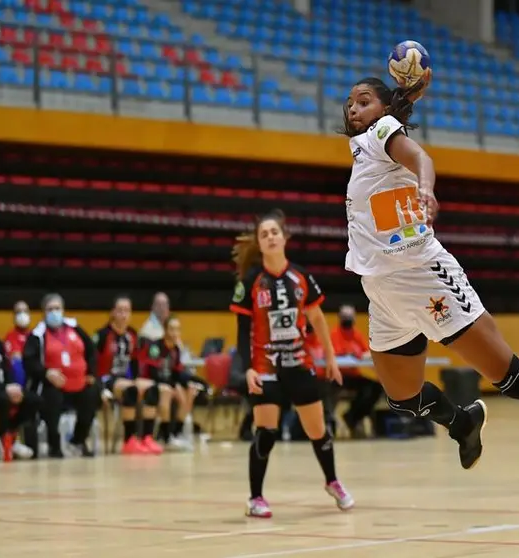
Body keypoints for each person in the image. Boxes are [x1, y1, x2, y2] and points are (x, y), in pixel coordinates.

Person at [338, 74, 519, 470]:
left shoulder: (383, 131)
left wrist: (426, 188)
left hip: (424, 275)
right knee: (402, 396)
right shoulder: (366, 146)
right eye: (350, 102)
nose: (353, 107)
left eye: (363, 100)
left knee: (509, 377)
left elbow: (421, 158)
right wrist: (406, 100)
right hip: (382, 292)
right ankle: (462, 422)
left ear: (384, 110)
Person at [230, 210, 354, 518]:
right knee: (266, 433)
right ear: (259, 244)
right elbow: (242, 330)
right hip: (265, 367)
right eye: (264, 234)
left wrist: (330, 357)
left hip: (298, 364)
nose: (270, 237)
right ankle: (255, 498)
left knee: (318, 431)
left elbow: (317, 318)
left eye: (275, 232)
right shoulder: (250, 282)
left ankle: (332, 481)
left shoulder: (300, 276)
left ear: (285, 238)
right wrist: (247, 367)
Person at [23, 293, 101, 458]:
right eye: (50, 309)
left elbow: (92, 351)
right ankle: (55, 445)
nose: (54, 312)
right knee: (52, 397)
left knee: (93, 392)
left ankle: (78, 440)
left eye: (57, 308)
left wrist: (91, 373)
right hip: (53, 386)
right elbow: (29, 362)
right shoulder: (37, 335)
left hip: (79, 383)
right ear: (44, 312)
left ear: (63, 310)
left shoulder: (75, 328)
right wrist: (46, 373)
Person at [94, 296, 161, 455]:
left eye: (127, 311)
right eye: (120, 310)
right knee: (130, 389)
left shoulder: (132, 335)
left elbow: (135, 361)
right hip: (107, 379)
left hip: (126, 378)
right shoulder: (102, 335)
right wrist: (99, 387)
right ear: (113, 313)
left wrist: (138, 379)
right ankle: (129, 440)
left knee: (152, 388)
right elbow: (93, 364)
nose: (123, 315)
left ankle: (147, 438)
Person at [0, 301, 40, 460]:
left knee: (33, 400)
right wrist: (4, 389)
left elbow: (7, 369)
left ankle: (5, 435)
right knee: (3, 399)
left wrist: (13, 385)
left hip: (2, 388)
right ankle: (3, 437)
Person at [140, 315, 204, 451]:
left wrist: (193, 383)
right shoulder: (155, 347)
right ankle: (166, 435)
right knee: (167, 391)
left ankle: (177, 433)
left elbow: (178, 373)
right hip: (152, 385)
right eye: (172, 329)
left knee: (190, 391)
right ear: (165, 330)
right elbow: (153, 372)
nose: (175, 333)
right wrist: (173, 385)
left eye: (177, 330)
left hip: (168, 383)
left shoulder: (176, 350)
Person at [330, 304, 383, 437]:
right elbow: (337, 353)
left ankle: (352, 416)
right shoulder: (334, 334)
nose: (347, 320)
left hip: (354, 375)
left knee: (375, 388)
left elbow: (366, 353)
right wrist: (352, 353)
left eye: (349, 317)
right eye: (344, 317)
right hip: (339, 376)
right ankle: (348, 419)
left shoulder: (356, 334)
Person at [3, 300, 31, 386]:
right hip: (18, 378)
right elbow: (16, 357)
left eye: (25, 311)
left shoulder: (35, 335)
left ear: (29, 315)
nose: (22, 315)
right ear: (14, 317)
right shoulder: (10, 336)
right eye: (18, 312)